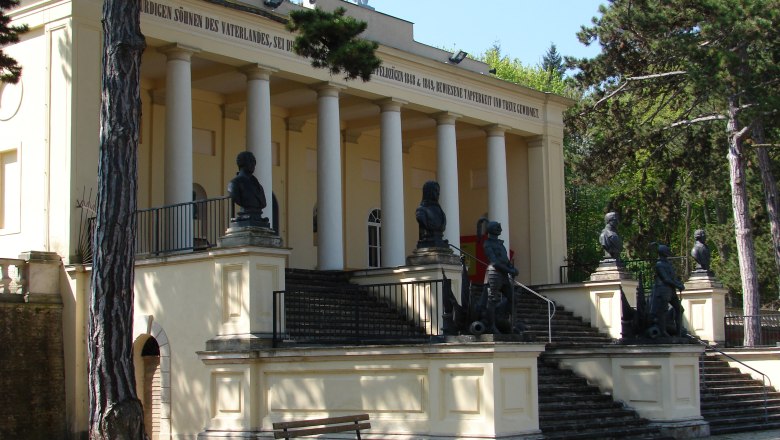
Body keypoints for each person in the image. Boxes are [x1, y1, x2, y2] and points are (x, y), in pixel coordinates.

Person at [480, 220, 523, 334]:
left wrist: (512, 268)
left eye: (499, 227)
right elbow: (494, 262)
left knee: (512, 298)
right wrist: (509, 270)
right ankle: (491, 326)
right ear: (490, 230)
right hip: (494, 273)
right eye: (496, 227)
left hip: (503, 274)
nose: (499, 229)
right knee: (492, 299)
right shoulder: (487, 244)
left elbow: (505, 259)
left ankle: (512, 324)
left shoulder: (500, 244)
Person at [650, 244, 685, 337]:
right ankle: (663, 331)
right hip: (663, 290)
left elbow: (672, 277)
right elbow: (666, 279)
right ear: (664, 253)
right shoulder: (659, 265)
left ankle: (679, 331)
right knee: (663, 311)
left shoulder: (668, 264)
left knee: (679, 309)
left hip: (671, 290)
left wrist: (679, 284)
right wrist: (677, 285)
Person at [227, 151, 269, 227]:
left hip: (257, 218)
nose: (253, 164)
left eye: (254, 161)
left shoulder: (259, 186)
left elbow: (263, 203)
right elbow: (237, 197)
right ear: (242, 163)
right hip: (246, 218)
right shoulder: (234, 184)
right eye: (250, 161)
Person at [415, 181, 447, 248]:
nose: (438, 193)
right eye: (435, 190)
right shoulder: (421, 211)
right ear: (428, 192)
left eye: (438, 191)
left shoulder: (441, 212)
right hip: (429, 243)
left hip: (439, 242)